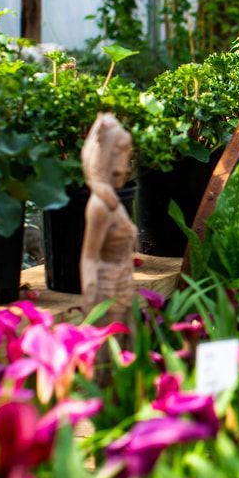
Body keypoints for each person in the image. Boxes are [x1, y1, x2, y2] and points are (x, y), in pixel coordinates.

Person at [80, 113, 138, 325]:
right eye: (123, 153)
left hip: (124, 286)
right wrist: (90, 298)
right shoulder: (100, 206)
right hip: (107, 293)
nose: (126, 164)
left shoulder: (114, 203)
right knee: (108, 349)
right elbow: (89, 257)